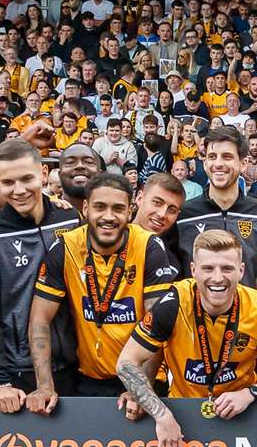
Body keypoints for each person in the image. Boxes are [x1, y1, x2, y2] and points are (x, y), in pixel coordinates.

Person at [114, 230, 257, 447]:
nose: (217, 278)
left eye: (227, 268)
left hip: (241, 415)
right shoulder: (174, 302)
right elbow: (126, 362)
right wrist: (162, 415)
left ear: (241, 271)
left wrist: (250, 393)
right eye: (208, 268)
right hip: (181, 416)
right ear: (193, 270)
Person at [28, 173, 177, 406]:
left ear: (130, 211)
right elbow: (40, 319)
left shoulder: (149, 246)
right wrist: (44, 385)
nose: (108, 216)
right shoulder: (65, 247)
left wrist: (142, 390)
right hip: (87, 378)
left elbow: (155, 323)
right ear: (86, 208)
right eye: (100, 207)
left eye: (118, 208)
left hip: (140, 377)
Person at [0, 137, 80, 413]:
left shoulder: (71, 219)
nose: (18, 190)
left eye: (26, 179)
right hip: (17, 374)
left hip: (77, 367)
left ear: (43, 174)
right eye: (8, 182)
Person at [165, 125, 257, 284]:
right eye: (212, 157)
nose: (218, 164)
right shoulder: (183, 215)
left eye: (227, 156)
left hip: (250, 307)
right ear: (205, 162)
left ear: (243, 163)